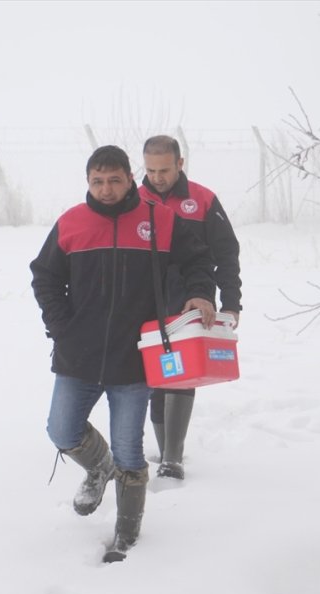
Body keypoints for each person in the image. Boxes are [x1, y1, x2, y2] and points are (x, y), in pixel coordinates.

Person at [30, 145, 216, 563]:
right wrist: (62, 328)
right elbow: (44, 276)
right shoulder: (71, 223)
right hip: (79, 357)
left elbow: (198, 260)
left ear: (130, 178)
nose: (106, 189)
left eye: (114, 180)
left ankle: (126, 534)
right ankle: (98, 468)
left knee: (130, 452)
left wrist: (201, 293)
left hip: (135, 359)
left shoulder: (158, 220)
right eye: (97, 181)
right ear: (88, 182)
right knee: (61, 431)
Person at [139, 135, 242, 480]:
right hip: (146, 302)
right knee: (156, 375)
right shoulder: (134, 200)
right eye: (151, 170)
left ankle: (173, 457)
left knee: (181, 373)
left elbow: (227, 253)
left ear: (180, 164)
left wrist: (231, 301)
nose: (157, 177)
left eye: (164, 170)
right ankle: (164, 447)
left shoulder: (202, 199)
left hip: (191, 300)